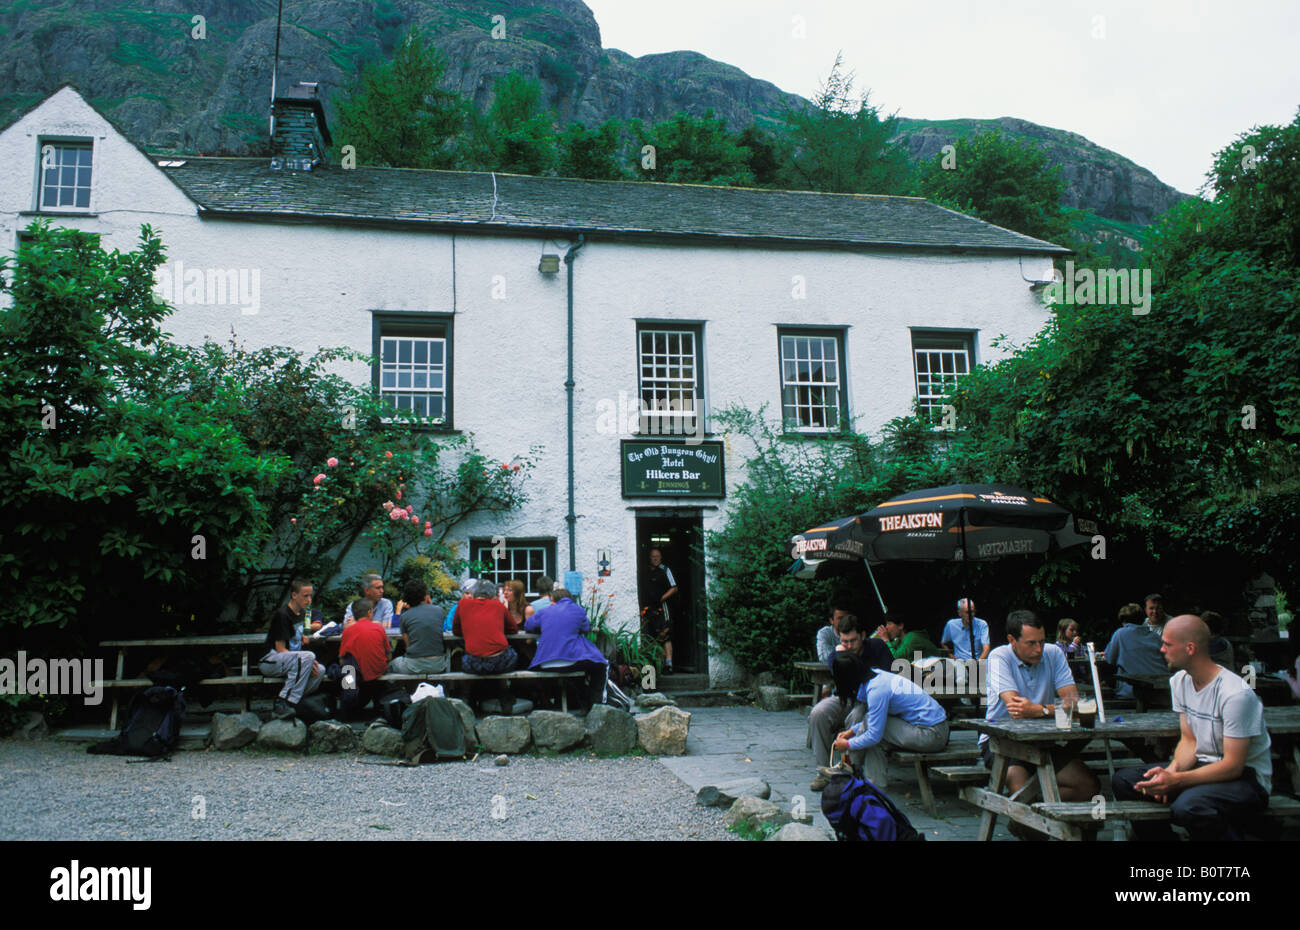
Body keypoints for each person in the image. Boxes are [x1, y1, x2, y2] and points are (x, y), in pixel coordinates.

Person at [1111, 615, 1272, 841]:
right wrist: (1172, 771)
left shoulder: (1235, 695)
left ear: (1190, 648)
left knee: (1189, 807)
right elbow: (1189, 741)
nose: (1161, 650)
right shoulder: (1180, 682)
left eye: (1167, 644)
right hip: (1203, 764)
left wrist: (1176, 781)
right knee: (1126, 781)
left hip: (1245, 778)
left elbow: (1233, 766)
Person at [984, 610, 1099, 836]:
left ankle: (1026, 816)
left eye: (1042, 642)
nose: (1038, 649)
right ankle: (1028, 818)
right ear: (1012, 641)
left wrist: (1040, 710)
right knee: (1023, 795)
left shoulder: (1053, 653)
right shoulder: (999, 656)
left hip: (1043, 741)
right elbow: (1017, 709)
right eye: (1030, 643)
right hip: (1001, 743)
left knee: (1089, 787)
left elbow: (1073, 704)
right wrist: (1052, 710)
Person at [831, 659, 949, 788]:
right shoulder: (876, 676)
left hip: (933, 734)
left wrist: (848, 744)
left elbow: (873, 733)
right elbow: (876, 723)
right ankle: (874, 791)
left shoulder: (877, 690)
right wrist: (851, 731)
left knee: (873, 732)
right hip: (927, 730)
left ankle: (849, 767)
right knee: (876, 742)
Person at [808, 614, 888, 790]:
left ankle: (850, 770)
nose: (849, 646)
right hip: (844, 697)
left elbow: (885, 680)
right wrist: (840, 656)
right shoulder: (838, 653)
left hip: (869, 699)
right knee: (818, 712)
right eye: (845, 641)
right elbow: (840, 680)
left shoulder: (877, 647)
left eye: (853, 641)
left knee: (856, 716)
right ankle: (823, 772)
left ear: (863, 636)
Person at [525, 587, 608, 714]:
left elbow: (528, 625)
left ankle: (583, 705)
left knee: (576, 675)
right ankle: (595, 707)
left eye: (551, 601)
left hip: (545, 663)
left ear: (557, 600)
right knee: (600, 666)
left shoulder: (544, 612)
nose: (550, 604)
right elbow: (585, 627)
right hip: (570, 661)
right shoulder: (578, 610)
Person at [259, 578, 326, 719]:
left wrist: (306, 659)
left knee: (320, 670)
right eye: (305, 596)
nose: (309, 600)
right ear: (294, 595)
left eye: (310, 595)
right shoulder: (283, 615)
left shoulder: (302, 613)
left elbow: (304, 633)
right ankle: (282, 702)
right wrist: (306, 660)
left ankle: (294, 703)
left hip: (290, 660)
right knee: (309, 657)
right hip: (270, 660)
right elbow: (280, 649)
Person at [454, 578, 520, 713]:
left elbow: (456, 630)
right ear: (492, 594)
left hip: (474, 663)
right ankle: (504, 694)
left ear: (474, 592)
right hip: (500, 663)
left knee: (464, 655)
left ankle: (466, 696)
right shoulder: (498, 606)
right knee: (511, 653)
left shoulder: (463, 604)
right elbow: (513, 629)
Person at [1102, 598, 1168, 699]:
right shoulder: (1155, 636)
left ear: (1123, 621)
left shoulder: (1120, 633)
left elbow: (1109, 659)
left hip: (1134, 693)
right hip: (1160, 691)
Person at [338, 597, 392, 712]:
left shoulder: (347, 631)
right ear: (369, 612)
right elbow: (389, 656)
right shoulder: (379, 628)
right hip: (378, 670)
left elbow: (341, 660)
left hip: (356, 675)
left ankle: (347, 706)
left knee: (347, 666)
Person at [388, 581, 448, 675]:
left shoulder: (405, 616)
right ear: (426, 596)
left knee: (392, 664)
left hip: (414, 665)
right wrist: (430, 604)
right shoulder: (439, 611)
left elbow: (408, 646)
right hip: (438, 664)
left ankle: (398, 689)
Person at [641, 548, 678, 674]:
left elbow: (674, 588)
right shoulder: (645, 571)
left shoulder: (665, 570)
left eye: (657, 556)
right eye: (653, 556)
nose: (655, 558)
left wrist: (662, 598)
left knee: (665, 634)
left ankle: (669, 664)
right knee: (653, 635)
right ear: (649, 558)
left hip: (663, 606)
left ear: (661, 558)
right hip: (649, 607)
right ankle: (657, 665)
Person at [873, 609, 943, 661]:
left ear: (900, 626)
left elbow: (895, 659)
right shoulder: (899, 640)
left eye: (889, 624)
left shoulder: (912, 638)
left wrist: (886, 640)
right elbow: (887, 651)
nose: (886, 627)